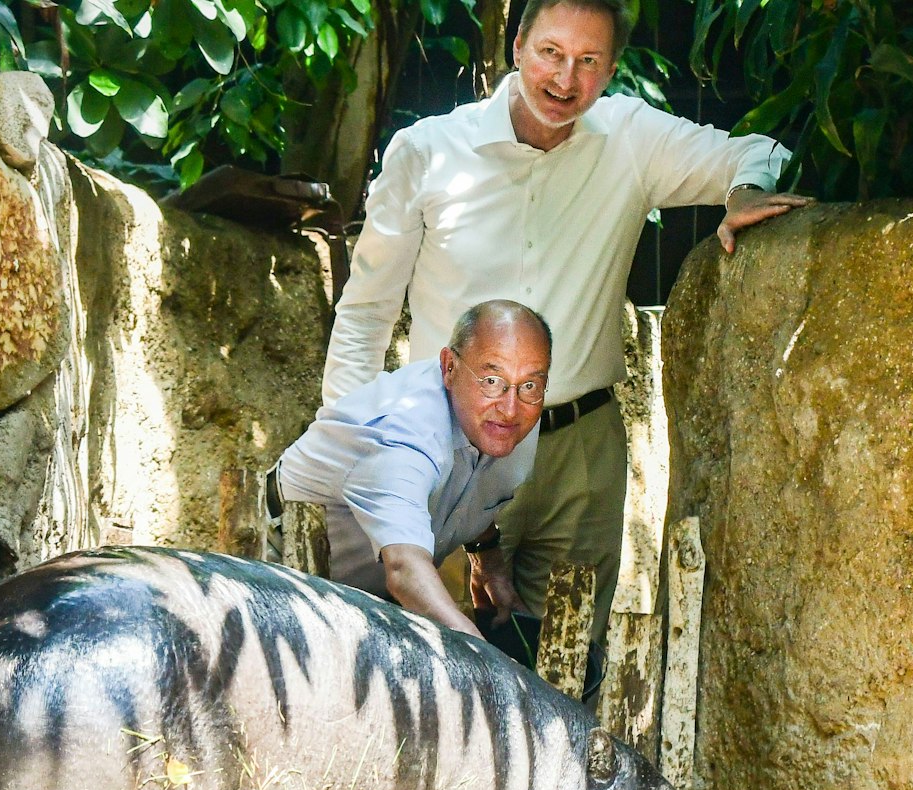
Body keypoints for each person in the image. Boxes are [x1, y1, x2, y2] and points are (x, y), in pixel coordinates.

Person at [321, 0, 814, 644]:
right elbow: (366, 315)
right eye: (551, 52)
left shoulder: (633, 139)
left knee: (566, 669)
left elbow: (763, 152)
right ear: (518, 44)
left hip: (579, 456)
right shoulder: (427, 152)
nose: (565, 79)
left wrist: (742, 192)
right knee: (427, 665)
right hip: (445, 448)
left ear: (611, 69)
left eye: (588, 61)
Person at [270, 299, 551, 638]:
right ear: (449, 367)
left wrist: (488, 561)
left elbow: (466, 485)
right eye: (492, 380)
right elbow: (404, 569)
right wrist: (488, 666)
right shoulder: (403, 432)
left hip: (371, 597)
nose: (509, 407)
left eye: (530, 385)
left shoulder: (509, 416)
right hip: (284, 579)